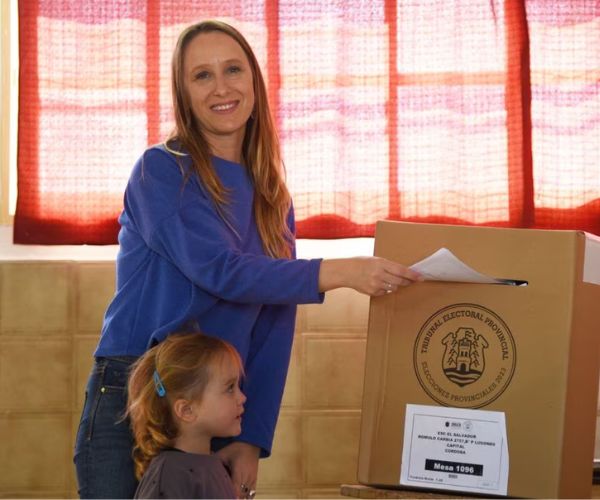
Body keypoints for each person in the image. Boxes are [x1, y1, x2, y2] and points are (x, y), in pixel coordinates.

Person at [73, 19, 423, 499]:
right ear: (184, 92)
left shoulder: (271, 195)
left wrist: (253, 437)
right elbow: (221, 272)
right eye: (202, 75)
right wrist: (341, 272)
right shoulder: (161, 171)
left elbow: (273, 323)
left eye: (233, 69)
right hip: (136, 395)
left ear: (254, 81)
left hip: (212, 404)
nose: (221, 87)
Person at [128, 331, 244, 499]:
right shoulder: (170, 474)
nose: (242, 398)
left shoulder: (214, 465)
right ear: (186, 410)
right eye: (230, 388)